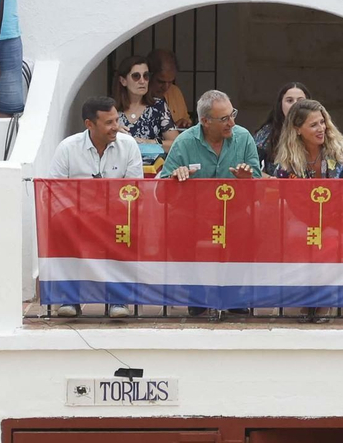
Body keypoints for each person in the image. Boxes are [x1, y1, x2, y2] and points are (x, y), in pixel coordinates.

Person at [46, 96, 143, 319]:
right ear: (89, 124)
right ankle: (70, 298)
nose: (116, 127)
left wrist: (105, 211)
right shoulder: (67, 148)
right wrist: (84, 213)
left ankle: (117, 299)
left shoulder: (128, 145)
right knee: (62, 224)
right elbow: (57, 191)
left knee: (125, 226)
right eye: (109, 123)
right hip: (77, 217)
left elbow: (134, 191)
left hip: (116, 214)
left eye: (116, 120)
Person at [160, 89, 261, 181]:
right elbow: (161, 190)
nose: (232, 123)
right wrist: (174, 179)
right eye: (224, 119)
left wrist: (248, 179)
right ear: (205, 121)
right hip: (196, 201)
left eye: (232, 115)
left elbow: (260, 186)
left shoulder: (244, 138)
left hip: (235, 200)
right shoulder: (183, 142)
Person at [113, 53, 179, 173]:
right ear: (123, 81)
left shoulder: (158, 107)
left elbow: (177, 144)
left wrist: (150, 143)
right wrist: (113, 132)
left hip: (153, 174)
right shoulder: (111, 110)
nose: (142, 81)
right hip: (119, 172)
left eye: (146, 76)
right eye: (136, 76)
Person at [272, 99, 343, 179]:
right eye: (313, 125)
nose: (321, 128)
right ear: (297, 129)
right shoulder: (287, 164)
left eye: (322, 122)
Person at [256, 81, 309, 170]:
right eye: (289, 100)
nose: (295, 105)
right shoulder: (268, 132)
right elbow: (251, 167)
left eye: (300, 101)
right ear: (280, 104)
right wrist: (270, 179)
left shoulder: (318, 130)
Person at [150, 49, 193, 127]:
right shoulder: (137, 95)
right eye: (161, 82)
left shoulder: (175, 91)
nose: (166, 87)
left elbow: (185, 118)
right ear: (148, 76)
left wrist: (184, 123)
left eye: (170, 82)